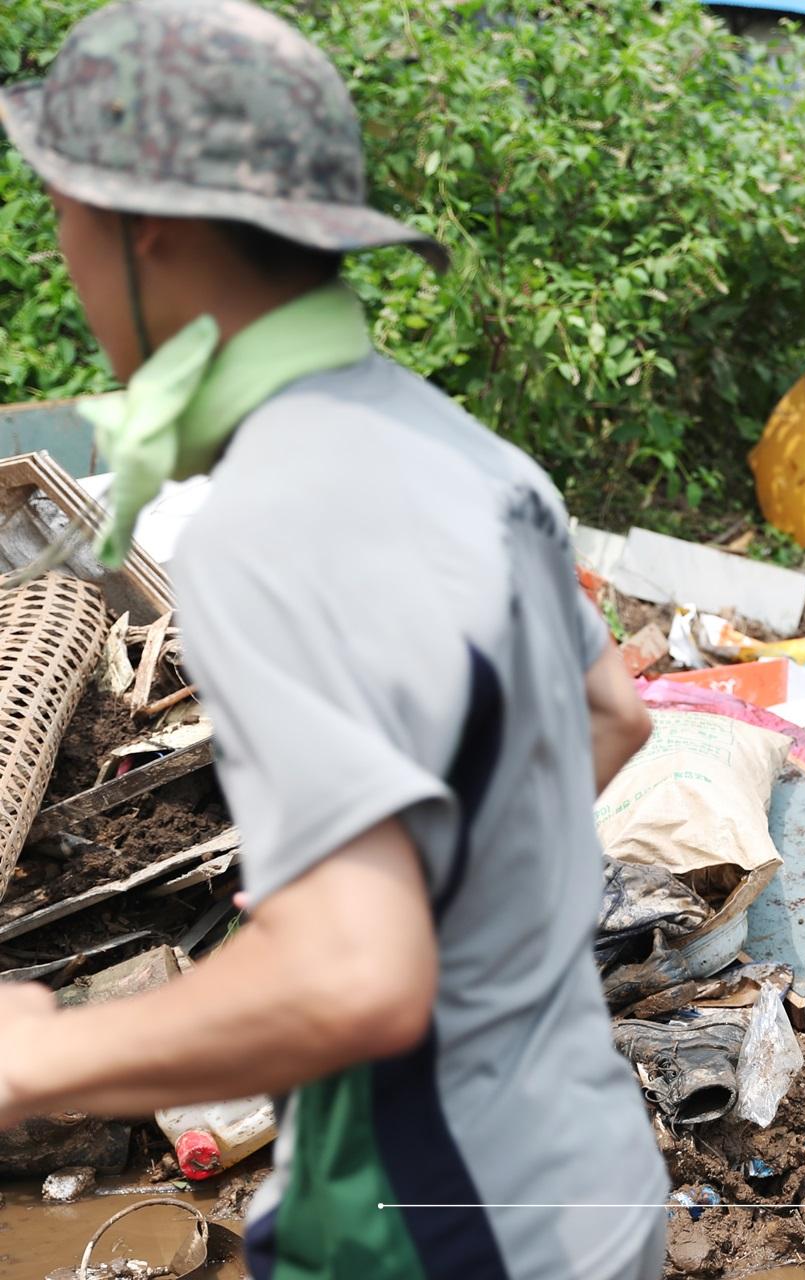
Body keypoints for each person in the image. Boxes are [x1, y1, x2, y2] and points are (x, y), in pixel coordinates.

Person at [0, 3, 667, 1276]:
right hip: (592, 1187)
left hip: (439, 1225)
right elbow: (613, 713)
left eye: (64, 214)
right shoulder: (467, 453)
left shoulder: (268, 522)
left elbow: (356, 983)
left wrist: (36, 1050)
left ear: (147, 227)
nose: (68, 256)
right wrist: (428, 898)